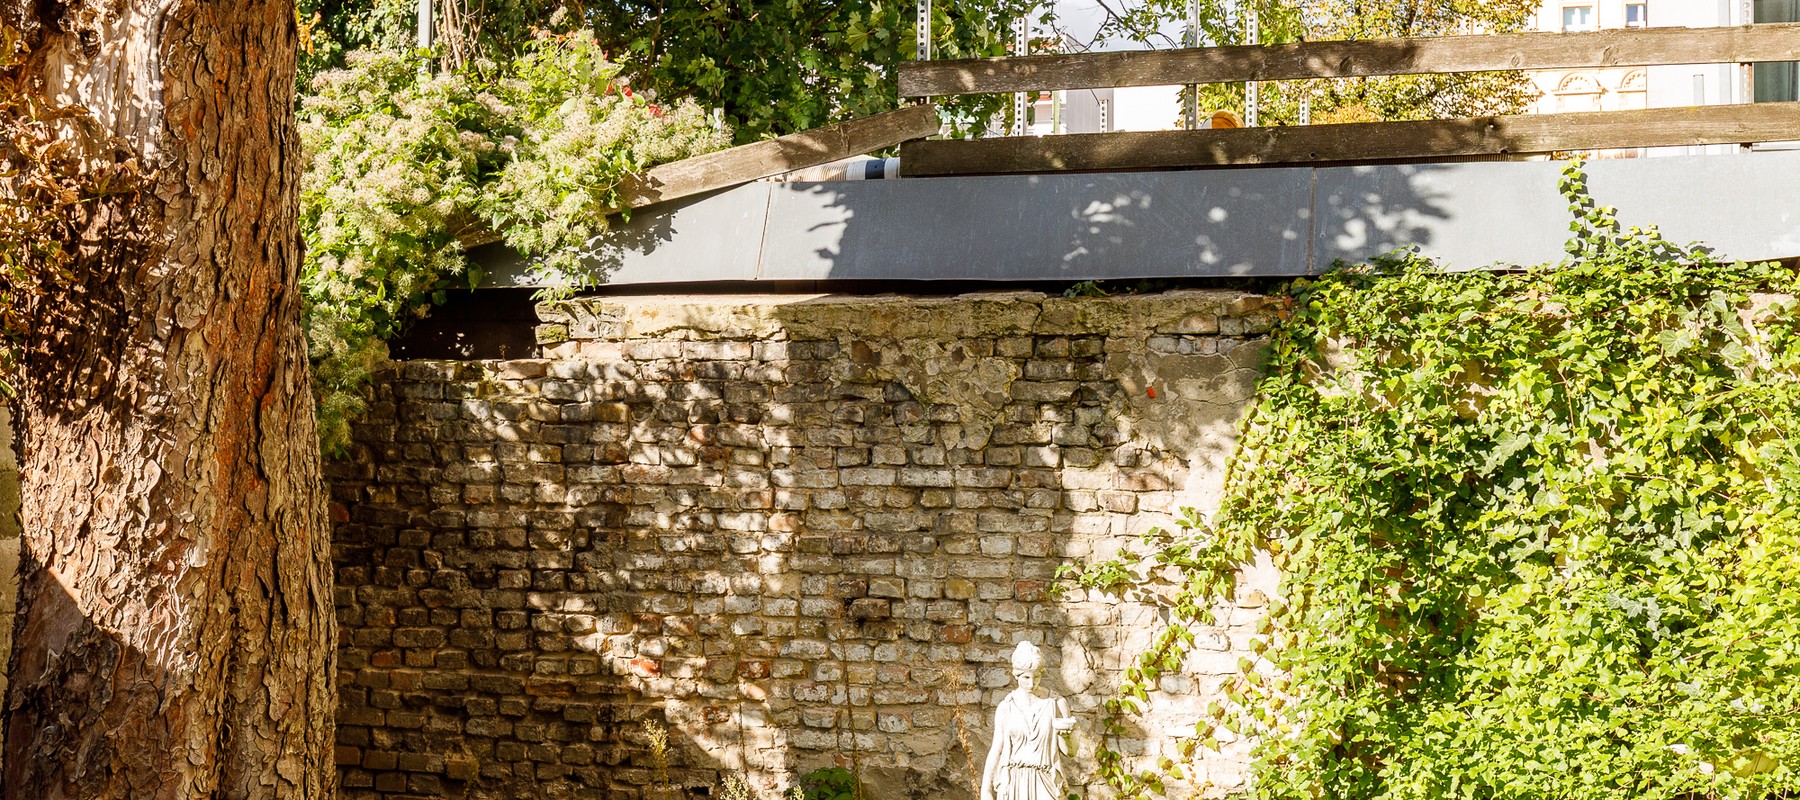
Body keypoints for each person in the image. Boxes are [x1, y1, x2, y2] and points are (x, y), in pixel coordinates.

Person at [980, 641, 1076, 800]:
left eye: (1036, 677)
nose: (1031, 684)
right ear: (1016, 674)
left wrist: (1067, 735)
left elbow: (1070, 752)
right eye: (1025, 677)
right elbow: (996, 749)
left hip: (1046, 782)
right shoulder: (1006, 707)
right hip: (1013, 783)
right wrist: (986, 790)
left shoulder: (1057, 704)